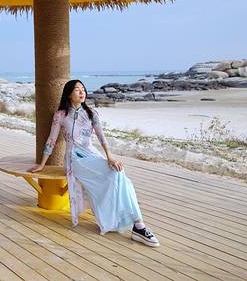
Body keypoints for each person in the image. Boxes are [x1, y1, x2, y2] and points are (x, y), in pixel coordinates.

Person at [29, 79, 159, 247]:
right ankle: (138, 226)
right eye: (77, 89)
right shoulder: (61, 115)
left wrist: (110, 157)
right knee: (117, 175)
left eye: (83, 89)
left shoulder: (92, 114)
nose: (82, 92)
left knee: (122, 177)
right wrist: (42, 164)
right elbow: (51, 141)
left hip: (92, 154)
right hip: (74, 159)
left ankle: (138, 225)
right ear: (69, 94)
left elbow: (101, 137)